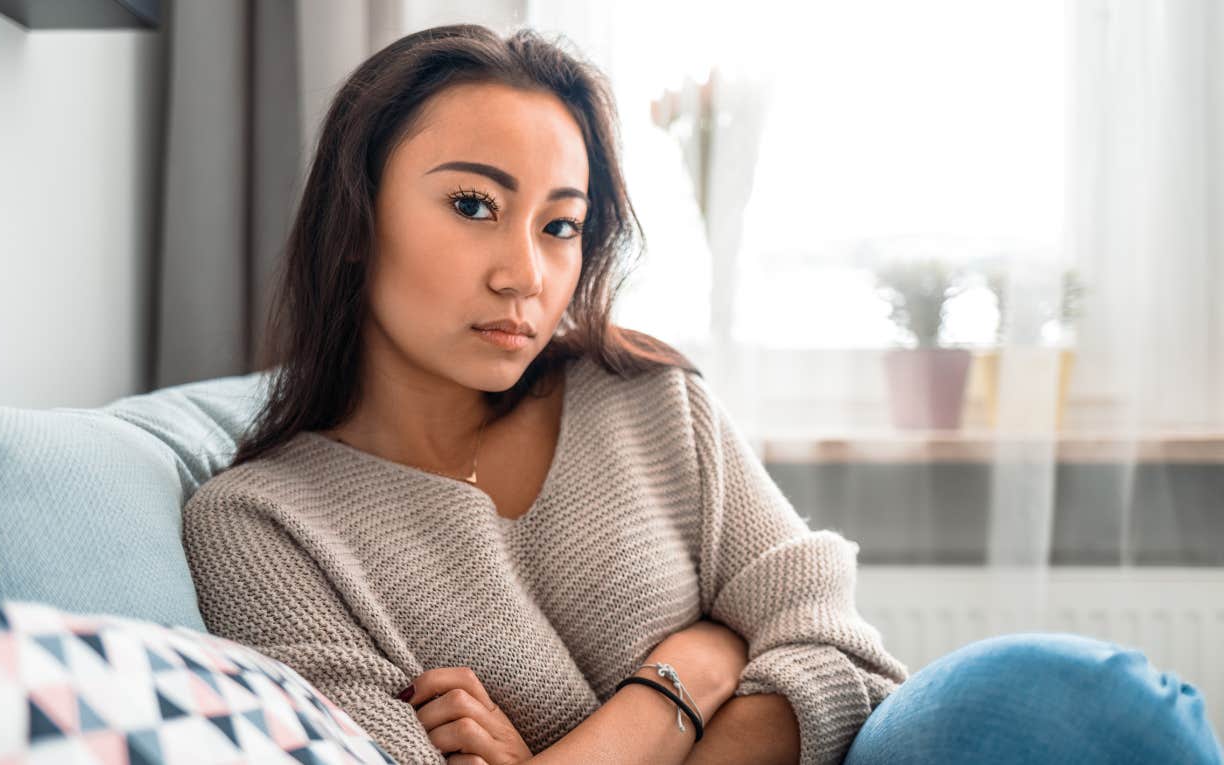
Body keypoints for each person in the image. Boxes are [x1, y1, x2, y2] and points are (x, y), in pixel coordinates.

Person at [180, 23, 1224, 765]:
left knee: (1080, 701)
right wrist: (696, 658)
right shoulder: (265, 525)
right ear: (356, 218)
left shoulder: (640, 397)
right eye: (472, 205)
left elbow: (834, 650)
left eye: (558, 224)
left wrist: (640, 722)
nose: (526, 275)